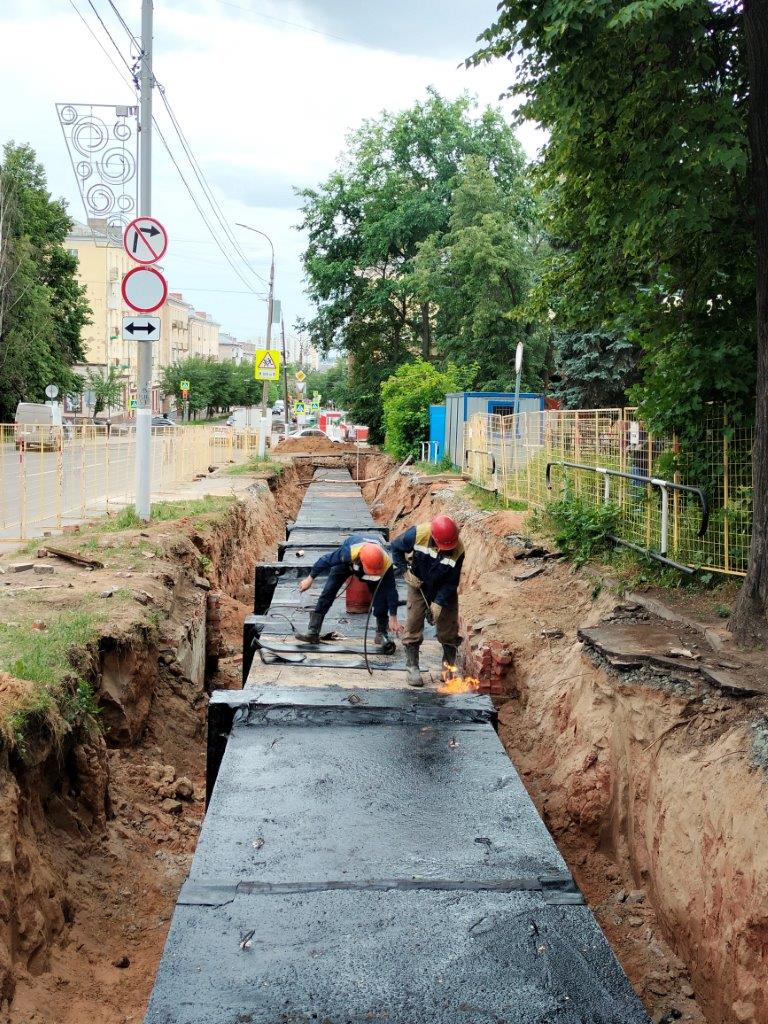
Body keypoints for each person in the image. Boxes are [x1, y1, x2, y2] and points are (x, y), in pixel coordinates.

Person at [391, 514, 463, 688]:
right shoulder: (418, 534)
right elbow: (395, 547)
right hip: (418, 583)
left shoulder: (458, 549)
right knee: (414, 623)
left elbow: (452, 581)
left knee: (448, 629)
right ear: (434, 537)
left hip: (443, 587)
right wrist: (404, 571)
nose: (446, 549)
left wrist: (439, 601)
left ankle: (448, 668)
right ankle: (412, 667)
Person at [296, 536, 401, 650]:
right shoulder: (348, 553)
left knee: (381, 598)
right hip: (347, 564)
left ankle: (381, 633)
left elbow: (391, 590)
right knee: (329, 590)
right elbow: (325, 560)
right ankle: (313, 631)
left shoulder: (386, 563)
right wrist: (310, 578)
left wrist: (393, 617)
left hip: (372, 567)